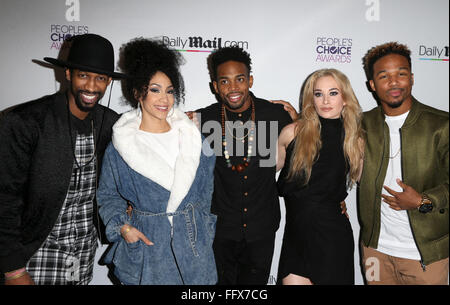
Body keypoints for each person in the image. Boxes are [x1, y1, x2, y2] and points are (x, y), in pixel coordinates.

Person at [0, 33, 124, 285]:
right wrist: (13, 269)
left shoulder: (111, 124)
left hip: (82, 255)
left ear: (109, 81)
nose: (91, 86)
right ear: (68, 74)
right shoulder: (25, 122)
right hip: (34, 255)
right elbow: (4, 199)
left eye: (100, 78)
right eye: (83, 75)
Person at [96, 38, 217, 285]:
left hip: (195, 248)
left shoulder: (194, 137)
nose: (164, 99)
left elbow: (206, 192)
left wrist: (204, 227)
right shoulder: (121, 144)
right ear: (138, 92)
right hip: (148, 250)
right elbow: (108, 195)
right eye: (155, 89)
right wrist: (124, 228)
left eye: (170, 90)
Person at [188, 46, 295, 285]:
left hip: (262, 227)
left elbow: (308, 155)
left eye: (240, 79)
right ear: (215, 86)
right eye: (224, 81)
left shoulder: (276, 115)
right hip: (219, 230)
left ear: (250, 80)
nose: (233, 88)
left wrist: (333, 196)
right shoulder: (202, 119)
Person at [359, 42, 449, 285]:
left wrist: (423, 201)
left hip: (425, 255)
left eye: (401, 73)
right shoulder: (362, 124)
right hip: (375, 251)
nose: (394, 82)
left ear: (411, 78)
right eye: (384, 76)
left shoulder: (441, 125)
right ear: (372, 85)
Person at [276, 68, 364, 285]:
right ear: (311, 99)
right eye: (318, 94)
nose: (325, 100)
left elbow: (369, 185)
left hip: (332, 238)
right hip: (296, 236)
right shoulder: (292, 132)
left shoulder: (354, 140)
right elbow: (261, 172)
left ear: (345, 98)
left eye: (333, 93)